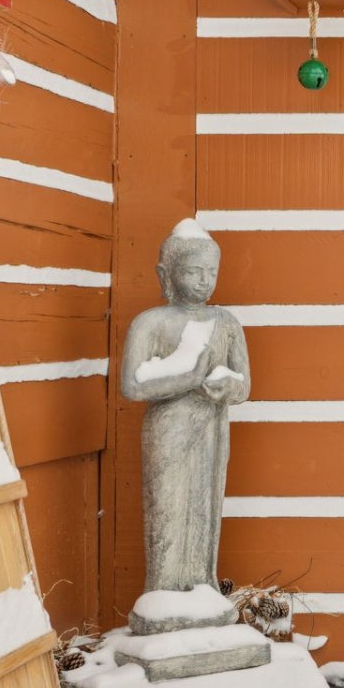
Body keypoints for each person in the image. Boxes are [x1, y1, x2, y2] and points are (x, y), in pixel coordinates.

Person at [120, 219, 250, 594]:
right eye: (193, 271)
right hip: (168, 432)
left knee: (204, 510)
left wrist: (229, 385)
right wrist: (190, 377)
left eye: (211, 272)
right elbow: (133, 385)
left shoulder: (226, 323)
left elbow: (244, 385)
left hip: (211, 429)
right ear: (166, 274)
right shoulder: (150, 323)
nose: (203, 281)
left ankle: (202, 588)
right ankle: (162, 592)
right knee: (167, 510)